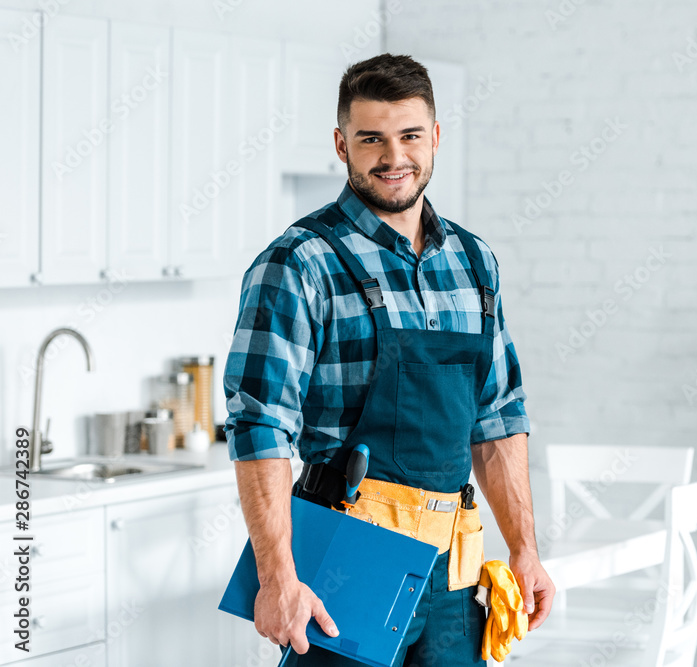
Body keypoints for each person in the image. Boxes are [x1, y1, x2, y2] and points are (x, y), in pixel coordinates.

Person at [223, 53, 555, 666]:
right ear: (341, 143)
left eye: (409, 135)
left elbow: (498, 418)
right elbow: (260, 425)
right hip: (348, 563)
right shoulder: (300, 263)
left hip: (455, 571)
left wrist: (524, 549)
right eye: (371, 138)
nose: (393, 155)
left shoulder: (474, 262)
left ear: (435, 138)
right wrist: (277, 578)